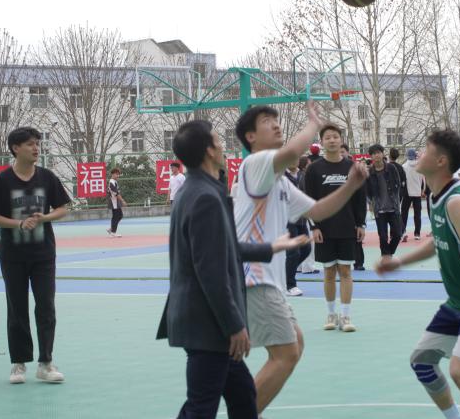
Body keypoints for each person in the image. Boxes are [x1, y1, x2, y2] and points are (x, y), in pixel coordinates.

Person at [157, 119, 308, 419]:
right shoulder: (205, 197)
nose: (224, 147)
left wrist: (270, 247)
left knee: (243, 397)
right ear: (209, 151)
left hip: (205, 320)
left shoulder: (197, 191)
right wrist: (234, 326)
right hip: (208, 325)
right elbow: (211, 272)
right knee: (202, 407)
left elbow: (222, 248)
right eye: (218, 141)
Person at [233, 103, 369, 414]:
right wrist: (314, 124)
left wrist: (351, 185)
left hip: (267, 280)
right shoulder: (255, 164)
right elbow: (294, 151)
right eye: (267, 122)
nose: (277, 125)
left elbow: (317, 210)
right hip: (252, 276)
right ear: (251, 137)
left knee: (294, 344)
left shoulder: (281, 181)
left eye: (276, 120)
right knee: (286, 352)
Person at [376, 129, 460, 419]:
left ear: (441, 161)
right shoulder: (437, 197)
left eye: (425, 149)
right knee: (422, 361)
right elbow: (437, 241)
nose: (419, 154)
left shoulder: (456, 202)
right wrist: (398, 262)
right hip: (459, 300)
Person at [0, 127, 71, 385]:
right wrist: (18, 224)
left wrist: (45, 217)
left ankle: (46, 363)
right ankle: (18, 364)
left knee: (46, 307)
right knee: (17, 309)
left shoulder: (47, 177)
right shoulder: (2, 181)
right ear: (15, 148)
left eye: (37, 144)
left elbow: (63, 208)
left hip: (44, 255)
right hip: (12, 256)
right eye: (30, 144)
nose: (36, 148)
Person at [304, 123, 367, 331]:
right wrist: (314, 227)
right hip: (324, 230)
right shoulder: (313, 169)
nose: (332, 140)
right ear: (321, 142)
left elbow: (360, 198)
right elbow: (308, 200)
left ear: (341, 140)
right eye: (327, 137)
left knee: (346, 271)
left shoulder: (353, 168)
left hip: (348, 228)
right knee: (329, 272)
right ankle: (331, 315)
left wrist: (361, 223)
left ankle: (346, 317)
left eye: (335, 136)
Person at [366, 144, 404, 262]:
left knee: (398, 234)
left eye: (378, 152)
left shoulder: (391, 168)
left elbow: (398, 183)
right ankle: (385, 258)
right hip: (379, 210)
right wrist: (371, 203)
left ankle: (388, 254)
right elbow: (367, 191)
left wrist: (396, 200)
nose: (376, 155)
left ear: (383, 154)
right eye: (374, 153)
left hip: (393, 208)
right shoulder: (369, 172)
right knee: (383, 237)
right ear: (371, 156)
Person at [284, 158, 313, 297]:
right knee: (293, 252)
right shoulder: (281, 176)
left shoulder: (303, 175)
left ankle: (285, 274)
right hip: (287, 220)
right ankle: (290, 285)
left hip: (302, 219)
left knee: (306, 249)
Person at [402, 148, 427, 240]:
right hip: (417, 193)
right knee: (417, 214)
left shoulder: (404, 166)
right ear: (415, 156)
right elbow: (423, 180)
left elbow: (403, 181)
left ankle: (403, 232)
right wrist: (423, 190)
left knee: (404, 213)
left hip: (407, 193)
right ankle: (417, 234)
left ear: (407, 156)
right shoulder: (420, 166)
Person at [389, 148, 410, 242]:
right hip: (399, 193)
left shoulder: (387, 167)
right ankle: (396, 233)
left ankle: (401, 232)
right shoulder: (400, 167)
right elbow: (404, 181)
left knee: (394, 213)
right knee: (395, 212)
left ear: (389, 156)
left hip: (390, 194)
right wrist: (403, 192)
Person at [106, 167, 127, 238]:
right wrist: (122, 201)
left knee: (119, 215)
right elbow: (116, 193)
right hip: (113, 201)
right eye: (116, 174)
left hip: (115, 201)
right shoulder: (112, 182)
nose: (118, 176)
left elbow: (117, 192)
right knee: (116, 216)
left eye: (118, 174)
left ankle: (111, 229)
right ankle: (113, 232)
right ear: (112, 174)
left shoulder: (114, 182)